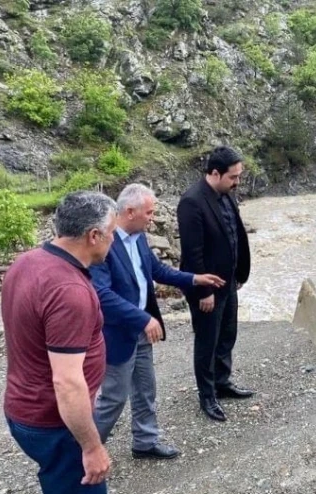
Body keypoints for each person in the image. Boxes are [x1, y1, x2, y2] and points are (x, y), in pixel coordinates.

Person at [1, 191, 117, 494]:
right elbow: (68, 383)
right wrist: (92, 447)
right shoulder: (69, 290)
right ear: (93, 236)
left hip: (23, 407)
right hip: (54, 421)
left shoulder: (29, 261)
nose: (114, 240)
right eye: (111, 232)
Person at [90, 183, 225, 458]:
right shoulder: (104, 243)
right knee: (113, 399)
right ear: (129, 211)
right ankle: (83, 453)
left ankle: (145, 441)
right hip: (117, 334)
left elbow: (156, 270)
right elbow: (100, 295)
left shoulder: (138, 237)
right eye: (149, 213)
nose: (153, 218)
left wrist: (194, 279)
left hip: (141, 332)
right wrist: (142, 318)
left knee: (145, 389)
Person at [177, 146, 254, 422]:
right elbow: (193, 253)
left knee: (227, 334)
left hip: (229, 281)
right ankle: (207, 396)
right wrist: (204, 291)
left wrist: (239, 274)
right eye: (233, 177)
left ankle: (222, 383)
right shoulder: (192, 202)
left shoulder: (226, 195)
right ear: (214, 173)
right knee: (207, 341)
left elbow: (236, 235)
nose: (237, 182)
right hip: (206, 287)